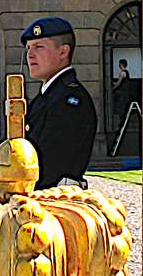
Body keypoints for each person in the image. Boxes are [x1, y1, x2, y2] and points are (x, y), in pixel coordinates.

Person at [21, 17, 98, 188]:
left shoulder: (68, 100)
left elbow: (51, 164)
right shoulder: (49, 95)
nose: (30, 55)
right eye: (28, 48)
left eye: (39, 47)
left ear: (63, 52)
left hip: (53, 200)